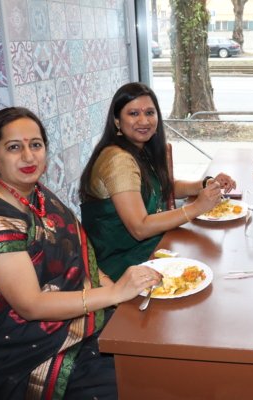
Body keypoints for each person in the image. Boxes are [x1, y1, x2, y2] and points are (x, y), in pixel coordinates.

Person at [0, 107, 163, 399]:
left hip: (80, 316)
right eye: (14, 147)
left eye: (36, 145)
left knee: (155, 341)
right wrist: (114, 294)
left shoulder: (37, 194)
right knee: (136, 382)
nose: (29, 157)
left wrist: (114, 291)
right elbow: (31, 305)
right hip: (31, 348)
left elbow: (83, 260)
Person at [79, 82, 236, 281]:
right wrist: (197, 207)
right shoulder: (118, 160)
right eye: (133, 113)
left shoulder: (141, 148)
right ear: (117, 121)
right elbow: (139, 228)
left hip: (149, 247)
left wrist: (205, 185)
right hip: (121, 265)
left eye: (150, 113)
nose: (144, 121)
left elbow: (166, 187)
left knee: (210, 259)